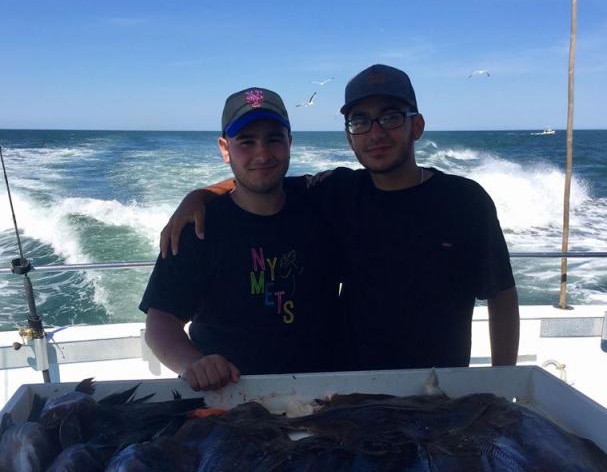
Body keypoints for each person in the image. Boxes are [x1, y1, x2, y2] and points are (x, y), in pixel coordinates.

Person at [160, 64, 520, 374]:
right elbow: (261, 181)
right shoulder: (338, 191)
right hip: (349, 392)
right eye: (360, 121)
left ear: (417, 126)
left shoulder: (465, 200)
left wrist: (504, 383)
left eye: (391, 117)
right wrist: (200, 196)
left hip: (440, 390)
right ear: (349, 136)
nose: (376, 133)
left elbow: (501, 295)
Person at [140, 87, 340, 391]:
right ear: (225, 148)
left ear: (290, 142)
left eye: (273, 139)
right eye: (246, 141)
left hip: (325, 391)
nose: (262, 154)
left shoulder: (321, 201)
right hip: (230, 395)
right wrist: (193, 364)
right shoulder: (197, 226)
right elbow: (161, 321)